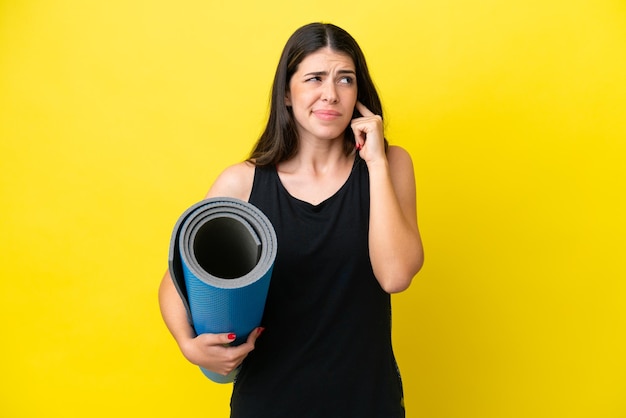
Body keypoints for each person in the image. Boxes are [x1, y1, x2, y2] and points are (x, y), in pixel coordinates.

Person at [159, 22, 424, 418]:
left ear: (358, 94)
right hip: (268, 403)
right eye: (314, 78)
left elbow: (395, 276)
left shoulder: (389, 164)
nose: (330, 94)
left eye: (345, 80)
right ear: (287, 92)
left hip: (367, 402)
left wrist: (375, 164)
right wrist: (187, 343)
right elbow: (176, 280)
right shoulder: (242, 182)